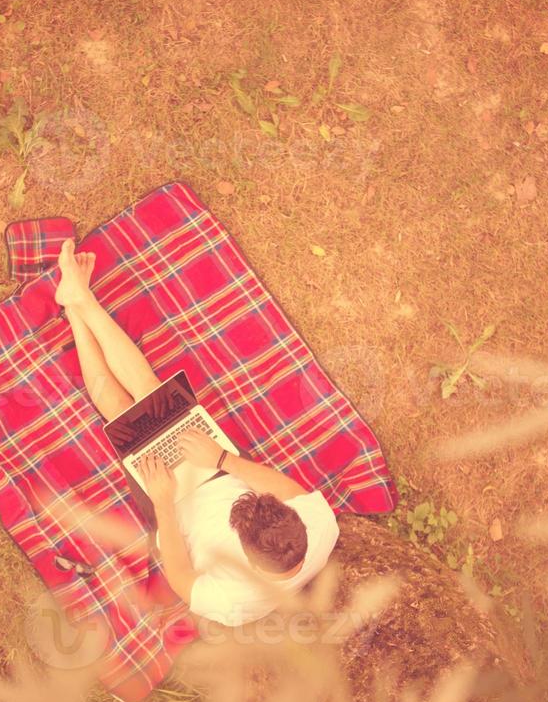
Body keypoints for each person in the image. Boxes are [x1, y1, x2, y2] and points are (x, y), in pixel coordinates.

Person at [55, 238, 340, 627]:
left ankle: (74, 309)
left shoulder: (234, 605)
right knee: (154, 395)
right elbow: (283, 485)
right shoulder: (321, 526)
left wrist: (163, 503)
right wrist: (220, 459)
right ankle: (80, 299)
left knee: (123, 414)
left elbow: (179, 575)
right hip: (217, 466)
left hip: (173, 500)